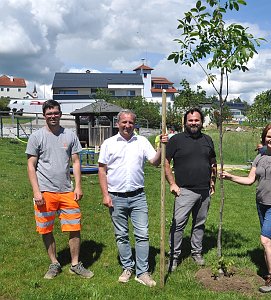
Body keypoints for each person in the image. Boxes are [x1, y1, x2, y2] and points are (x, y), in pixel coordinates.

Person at [221, 124, 271, 293]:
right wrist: (230, 176)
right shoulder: (259, 157)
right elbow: (250, 180)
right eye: (269, 136)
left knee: (265, 240)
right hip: (261, 203)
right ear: (264, 138)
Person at [98, 109, 167, 286]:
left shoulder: (142, 142)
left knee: (142, 234)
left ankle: (142, 272)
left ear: (134, 124)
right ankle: (128, 267)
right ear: (117, 123)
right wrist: (105, 195)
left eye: (130, 122)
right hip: (116, 196)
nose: (127, 125)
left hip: (138, 196)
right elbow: (102, 170)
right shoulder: (109, 143)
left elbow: (155, 162)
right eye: (124, 122)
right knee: (121, 235)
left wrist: (161, 147)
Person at [26, 100, 94, 279]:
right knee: (46, 228)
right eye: (49, 113)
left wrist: (78, 185)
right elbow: (31, 165)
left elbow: (76, 162)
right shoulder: (36, 137)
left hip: (67, 191)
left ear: (60, 113)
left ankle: (75, 264)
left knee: (74, 226)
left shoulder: (69, 135)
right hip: (45, 191)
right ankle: (54, 263)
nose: (53, 116)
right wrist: (36, 191)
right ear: (44, 115)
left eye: (55, 113)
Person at [165, 108, 217, 272]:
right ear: (185, 122)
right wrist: (172, 183)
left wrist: (212, 182)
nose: (194, 123)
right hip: (184, 191)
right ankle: (174, 256)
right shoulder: (176, 140)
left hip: (204, 191)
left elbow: (213, 163)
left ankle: (196, 252)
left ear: (201, 122)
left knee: (199, 224)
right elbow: (166, 162)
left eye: (197, 120)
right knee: (178, 224)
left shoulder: (208, 140)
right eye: (190, 120)